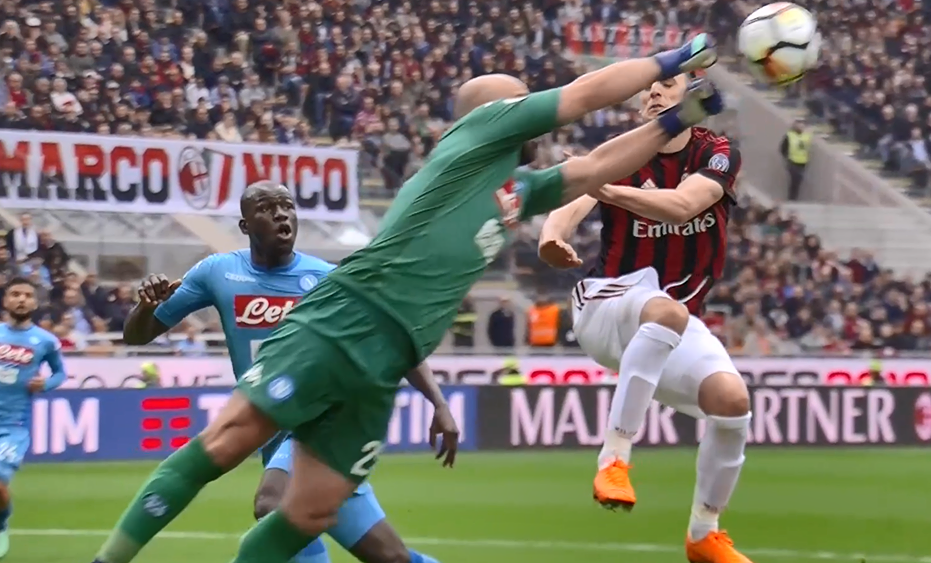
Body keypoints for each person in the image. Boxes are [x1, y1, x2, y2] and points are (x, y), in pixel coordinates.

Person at [90, 33, 723, 563]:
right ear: (496, 111)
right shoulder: (478, 132)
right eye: (520, 97)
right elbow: (584, 96)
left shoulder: (513, 190)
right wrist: (673, 60)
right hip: (348, 317)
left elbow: (596, 167)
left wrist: (679, 119)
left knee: (311, 510)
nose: (531, 104)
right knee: (227, 443)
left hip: (386, 357)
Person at [120, 180, 451, 563]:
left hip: (320, 422)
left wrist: (439, 402)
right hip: (272, 428)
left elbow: (391, 337)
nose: (281, 214)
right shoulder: (218, 272)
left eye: (288, 206)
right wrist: (146, 307)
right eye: (266, 208)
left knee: (271, 502)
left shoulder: (327, 279)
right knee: (392, 557)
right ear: (245, 225)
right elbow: (136, 336)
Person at [538, 71, 753, 563]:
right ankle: (614, 461)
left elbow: (683, 205)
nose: (653, 90)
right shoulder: (622, 153)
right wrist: (552, 236)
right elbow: (571, 205)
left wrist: (609, 191)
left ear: (693, 97)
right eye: (649, 86)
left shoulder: (717, 152)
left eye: (668, 84)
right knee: (666, 310)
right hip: (605, 303)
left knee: (732, 401)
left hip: (669, 318)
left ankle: (703, 533)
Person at [0, 277, 66, 557]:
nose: (21, 299)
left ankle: (1, 525)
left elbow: (60, 373)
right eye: (15, 294)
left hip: (13, 426)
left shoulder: (46, 341)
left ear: (35, 303)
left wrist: (46, 384)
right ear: (6, 300)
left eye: (27, 295)